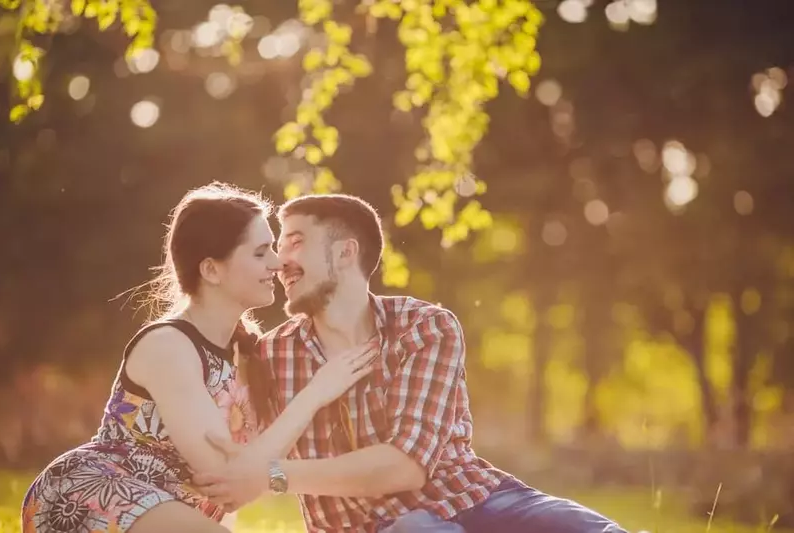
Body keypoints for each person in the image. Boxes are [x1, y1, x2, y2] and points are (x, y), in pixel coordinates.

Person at [194, 193, 628, 533]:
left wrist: (274, 475)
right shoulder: (269, 356)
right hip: (368, 528)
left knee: (575, 526)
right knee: (415, 528)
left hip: (477, 501)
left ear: (346, 253)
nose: (280, 260)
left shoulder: (425, 328)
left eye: (295, 241)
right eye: (275, 246)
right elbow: (232, 460)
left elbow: (405, 467)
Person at [21, 183, 377, 533]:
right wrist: (315, 393)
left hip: (174, 513)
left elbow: (238, 486)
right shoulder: (168, 346)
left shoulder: (250, 354)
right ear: (211, 270)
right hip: (91, 493)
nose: (277, 262)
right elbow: (223, 471)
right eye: (259, 252)